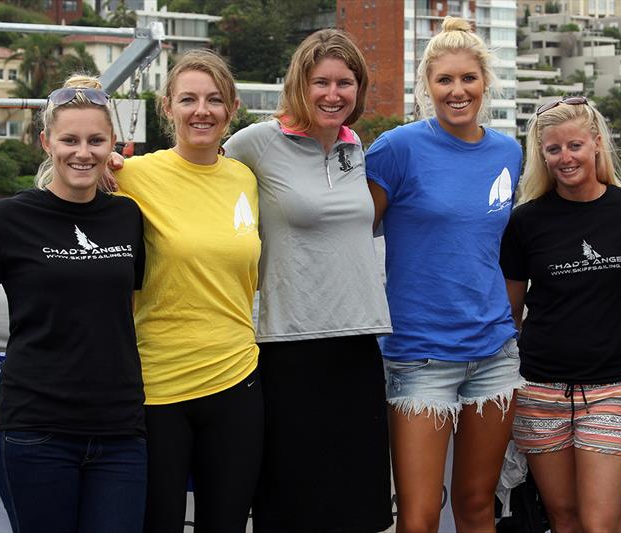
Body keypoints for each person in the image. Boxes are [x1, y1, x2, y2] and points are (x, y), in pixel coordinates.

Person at [222, 30, 393, 533]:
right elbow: (198, 174)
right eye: (321, 82)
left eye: (345, 83)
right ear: (300, 83)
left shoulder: (354, 146)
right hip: (286, 344)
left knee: (357, 505)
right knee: (290, 504)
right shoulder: (256, 142)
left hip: (358, 340)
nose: (333, 94)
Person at [365, 17, 524, 533]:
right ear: (426, 87)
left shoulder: (509, 152)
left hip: (495, 355)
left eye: (468, 79)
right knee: (419, 516)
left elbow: (506, 248)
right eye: (445, 81)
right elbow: (344, 233)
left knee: (479, 507)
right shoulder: (396, 148)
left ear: (486, 83)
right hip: (418, 355)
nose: (458, 91)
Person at [114, 49, 263, 533]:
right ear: (167, 107)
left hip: (236, 379)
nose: (202, 110)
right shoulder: (131, 176)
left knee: (226, 524)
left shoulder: (246, 178)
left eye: (215, 100)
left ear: (232, 109)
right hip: (158, 387)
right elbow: (69, 169)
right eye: (189, 99)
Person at [0, 75, 147, 533]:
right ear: (46, 142)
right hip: (34, 430)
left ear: (112, 143)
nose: (84, 152)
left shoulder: (128, 216)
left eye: (96, 140)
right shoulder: (8, 219)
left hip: (120, 431)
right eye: (70, 140)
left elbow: (128, 309)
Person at [499, 96, 621, 532]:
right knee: (563, 518)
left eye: (575, 146)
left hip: (613, 388)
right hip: (540, 391)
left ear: (597, 144)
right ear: (541, 156)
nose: (565, 158)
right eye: (553, 149)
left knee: (602, 522)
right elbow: (511, 312)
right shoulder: (524, 222)